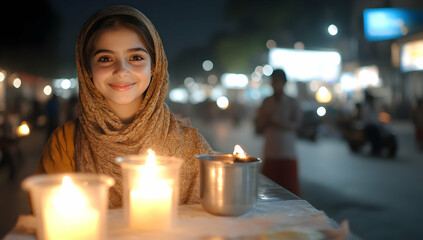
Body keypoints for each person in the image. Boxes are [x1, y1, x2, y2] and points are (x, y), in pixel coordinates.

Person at [35, 6, 213, 208]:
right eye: (105, 59)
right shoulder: (65, 143)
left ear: (155, 65)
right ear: (87, 69)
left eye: (136, 57)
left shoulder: (193, 146)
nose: (121, 71)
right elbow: (48, 221)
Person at [255, 69, 301, 196]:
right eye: (274, 82)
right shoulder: (266, 102)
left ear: (284, 83)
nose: (276, 85)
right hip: (271, 151)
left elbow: (297, 124)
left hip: (287, 152)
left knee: (290, 193)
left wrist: (278, 123)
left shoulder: (292, 102)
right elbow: (259, 125)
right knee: (268, 192)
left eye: (278, 82)